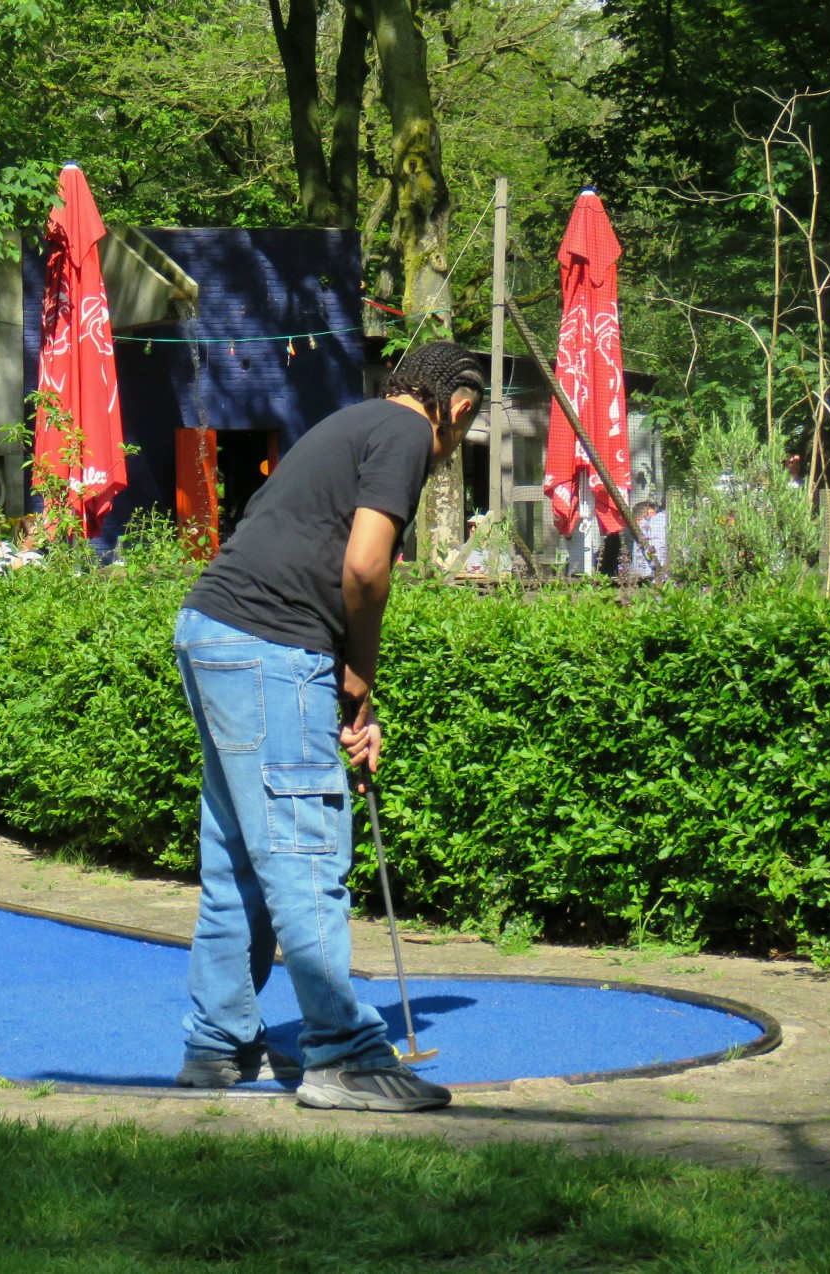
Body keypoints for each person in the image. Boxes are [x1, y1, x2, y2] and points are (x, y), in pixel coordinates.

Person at [171, 339, 485, 1114]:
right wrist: (361, 675)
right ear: (461, 406)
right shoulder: (410, 434)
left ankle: (219, 1043)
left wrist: (350, 695)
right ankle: (343, 1056)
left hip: (212, 630)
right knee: (305, 849)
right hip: (271, 646)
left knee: (241, 856)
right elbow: (366, 566)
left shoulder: (352, 423)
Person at [626, 500, 668, 580]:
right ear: (638, 520)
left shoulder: (657, 527)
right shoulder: (633, 534)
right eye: (650, 517)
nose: (654, 520)